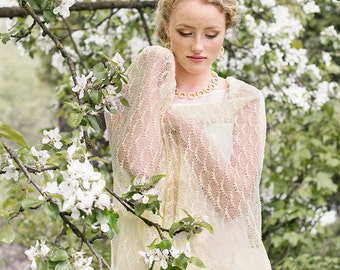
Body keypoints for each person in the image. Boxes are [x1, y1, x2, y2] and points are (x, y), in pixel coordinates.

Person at [105, 0, 272, 269]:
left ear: (225, 31)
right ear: (165, 29)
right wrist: (153, 61)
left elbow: (233, 203)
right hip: (148, 258)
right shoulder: (137, 94)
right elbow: (139, 172)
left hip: (222, 260)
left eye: (211, 34)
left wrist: (187, 126)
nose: (198, 46)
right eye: (185, 33)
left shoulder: (244, 100)